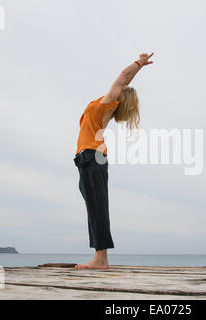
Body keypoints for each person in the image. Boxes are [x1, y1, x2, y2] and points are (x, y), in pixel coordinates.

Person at [74, 52, 154, 269]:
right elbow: (125, 79)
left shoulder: (108, 103)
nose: (123, 84)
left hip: (93, 156)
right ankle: (100, 258)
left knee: (97, 206)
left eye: (124, 87)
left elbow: (122, 76)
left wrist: (139, 63)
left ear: (121, 95)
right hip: (87, 158)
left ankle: (101, 260)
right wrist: (139, 68)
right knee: (94, 206)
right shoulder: (105, 104)